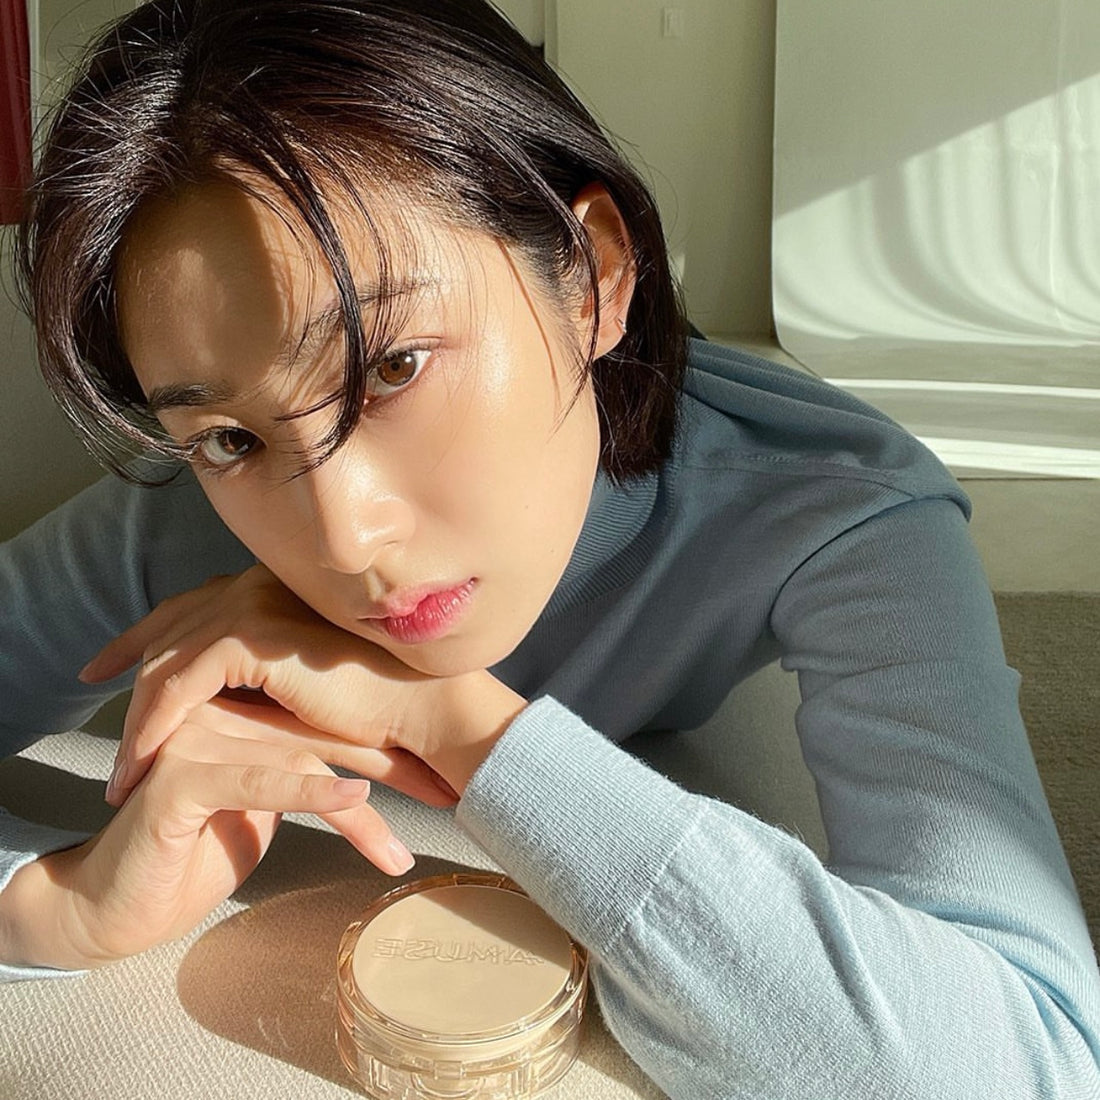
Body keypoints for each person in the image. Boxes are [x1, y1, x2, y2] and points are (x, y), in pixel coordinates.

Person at [0, 1, 1097, 1096]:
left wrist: (450, 719)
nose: (344, 535)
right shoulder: (187, 516)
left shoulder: (838, 508)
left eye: (391, 367)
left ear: (593, 274)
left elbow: (1028, 1062)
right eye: (230, 437)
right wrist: (57, 907)